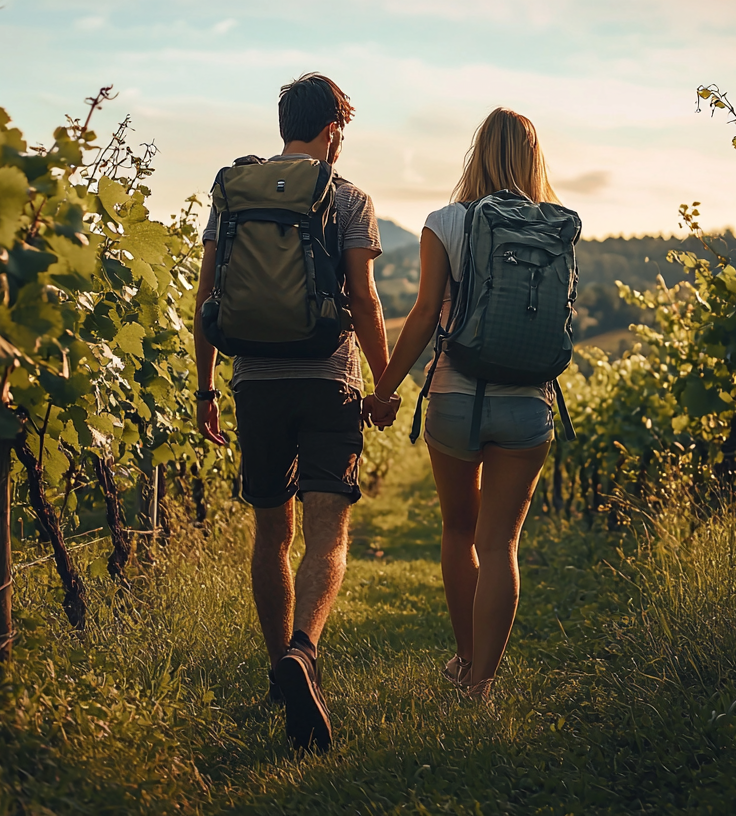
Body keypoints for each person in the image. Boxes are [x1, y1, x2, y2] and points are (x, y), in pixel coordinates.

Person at [192, 72, 400, 753]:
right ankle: (302, 654)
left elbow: (207, 296)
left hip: (255, 383)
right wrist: (383, 383)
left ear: (286, 123)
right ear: (333, 129)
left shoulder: (234, 192)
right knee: (327, 534)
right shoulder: (347, 199)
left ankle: (276, 666)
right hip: (327, 381)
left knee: (269, 533)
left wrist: (206, 388)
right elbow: (365, 303)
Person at [370, 108, 564, 699]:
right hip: (528, 406)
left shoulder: (445, 221)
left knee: (459, 529)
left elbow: (425, 314)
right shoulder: (556, 227)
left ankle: (462, 657)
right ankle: (482, 685)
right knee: (500, 541)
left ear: (476, 153)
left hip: (456, 399)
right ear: (534, 159)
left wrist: (385, 389)